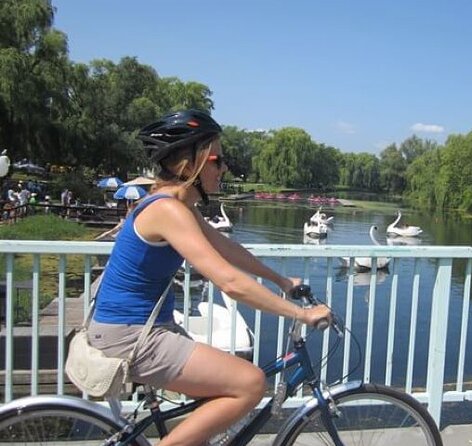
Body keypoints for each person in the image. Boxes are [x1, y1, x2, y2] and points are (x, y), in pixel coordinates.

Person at [87, 109, 331, 446]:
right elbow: (228, 282)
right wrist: (301, 314)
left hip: (140, 327)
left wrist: (280, 280)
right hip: (131, 334)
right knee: (250, 383)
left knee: (212, 401)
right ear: (189, 166)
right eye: (217, 160)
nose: (224, 168)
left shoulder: (175, 206)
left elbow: (226, 249)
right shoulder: (167, 211)